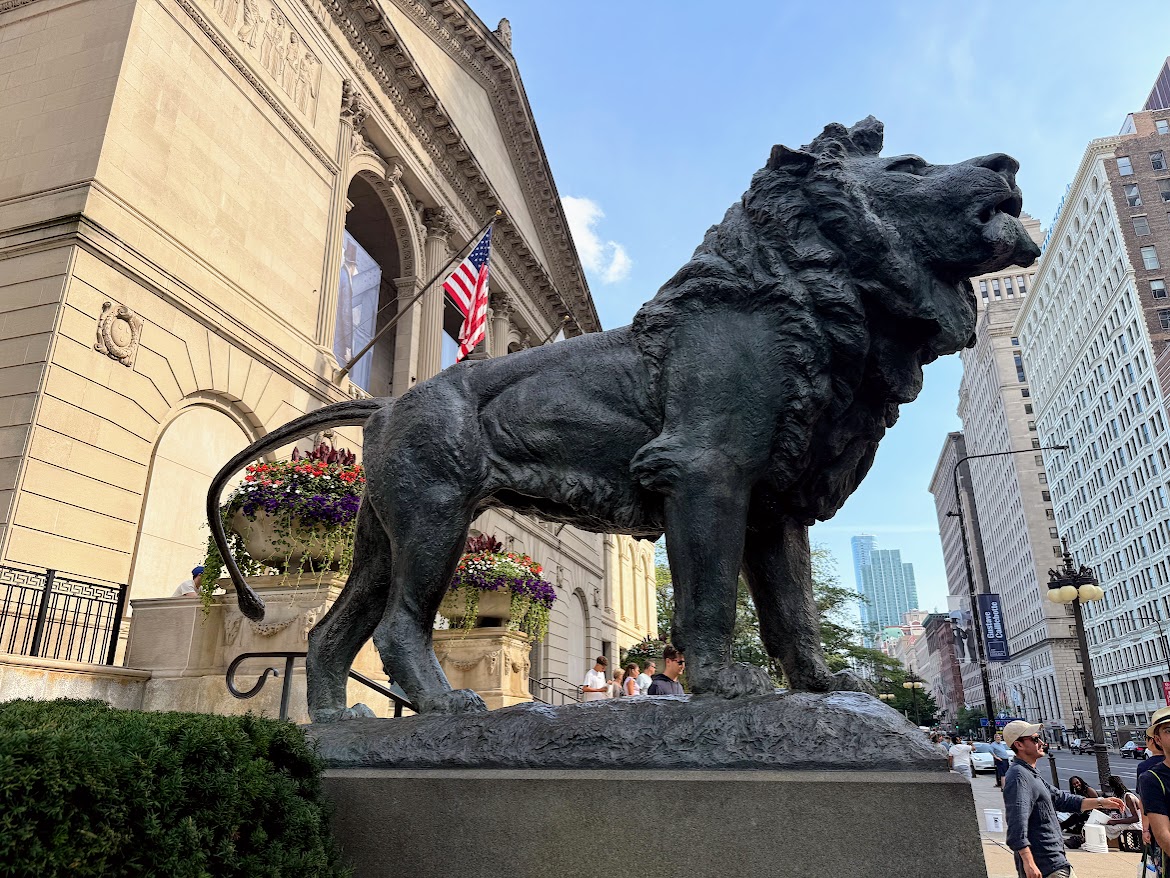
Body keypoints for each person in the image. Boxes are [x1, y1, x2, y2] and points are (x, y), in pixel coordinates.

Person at [1002, 720, 1123, 878]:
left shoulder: (1030, 773)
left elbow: (1061, 799)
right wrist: (1029, 862)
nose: (1041, 742)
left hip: (1054, 861)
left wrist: (1101, 802)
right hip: (1045, 864)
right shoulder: (1019, 776)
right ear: (1019, 745)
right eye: (1034, 739)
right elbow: (1016, 824)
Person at [1138, 706, 1170, 875]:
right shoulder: (1151, 779)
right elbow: (1163, 834)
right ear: (1157, 739)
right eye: (1168, 730)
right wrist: (1145, 830)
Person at [1102, 775, 1142, 847]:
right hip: (1130, 822)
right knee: (1106, 825)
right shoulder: (1122, 796)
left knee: (1107, 828)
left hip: (1136, 825)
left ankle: (1115, 845)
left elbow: (1136, 818)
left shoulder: (1128, 797)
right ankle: (1118, 844)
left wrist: (1116, 822)